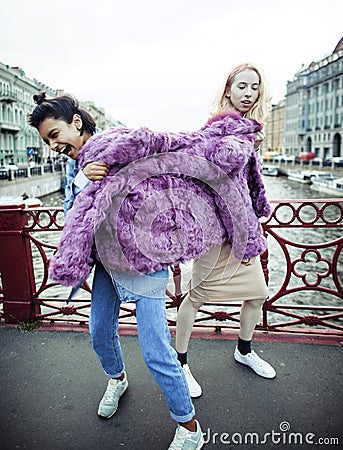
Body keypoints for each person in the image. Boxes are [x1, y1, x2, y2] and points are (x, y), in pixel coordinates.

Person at [29, 93, 204, 450]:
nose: (53, 145)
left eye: (55, 134)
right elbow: (71, 213)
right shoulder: (74, 166)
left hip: (144, 262)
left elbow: (153, 191)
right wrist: (83, 182)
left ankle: (190, 427)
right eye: (47, 141)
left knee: (156, 349)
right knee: (97, 331)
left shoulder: (118, 147)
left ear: (76, 123)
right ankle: (117, 378)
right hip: (107, 263)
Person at [175, 63, 276, 399]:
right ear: (228, 89)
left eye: (254, 88)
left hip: (243, 229)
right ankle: (181, 363)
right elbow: (215, 165)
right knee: (196, 298)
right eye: (242, 87)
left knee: (258, 293)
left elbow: (247, 180)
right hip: (217, 230)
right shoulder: (217, 129)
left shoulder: (249, 129)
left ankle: (244, 351)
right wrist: (248, 143)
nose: (249, 94)